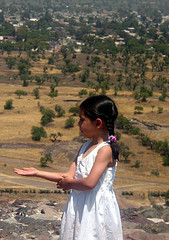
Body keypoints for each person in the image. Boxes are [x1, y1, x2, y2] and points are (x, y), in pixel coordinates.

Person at [14, 95, 123, 240]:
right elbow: (68, 176)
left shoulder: (105, 150)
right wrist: (37, 173)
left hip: (95, 209)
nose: (78, 124)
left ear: (97, 123)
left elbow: (90, 183)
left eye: (82, 120)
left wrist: (69, 184)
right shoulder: (84, 147)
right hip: (79, 205)